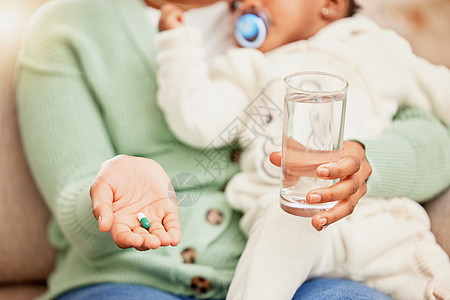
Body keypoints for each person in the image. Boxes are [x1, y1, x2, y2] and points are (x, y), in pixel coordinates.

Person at [14, 0, 449, 299]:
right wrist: (115, 194)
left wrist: (363, 161)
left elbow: (435, 141)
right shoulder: (67, 27)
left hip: (304, 271)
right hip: (131, 277)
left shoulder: (307, 27)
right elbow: (79, 211)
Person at [156, 0, 450, 299]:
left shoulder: (380, 49)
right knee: (277, 243)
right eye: (234, 5)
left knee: (429, 274)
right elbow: (199, 120)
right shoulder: (249, 66)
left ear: (331, 5)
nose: (246, 6)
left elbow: (441, 91)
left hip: (373, 215)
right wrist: (177, 45)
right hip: (290, 214)